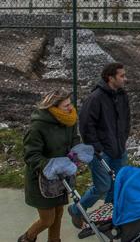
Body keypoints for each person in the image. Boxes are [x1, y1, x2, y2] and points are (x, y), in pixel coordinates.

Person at [68, 62, 130, 228]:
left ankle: (108, 217)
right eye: (122, 76)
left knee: (117, 186)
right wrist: (97, 149)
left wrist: (123, 138)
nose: (125, 79)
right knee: (103, 186)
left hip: (119, 149)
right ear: (110, 78)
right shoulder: (95, 98)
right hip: (101, 152)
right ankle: (76, 209)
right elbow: (86, 125)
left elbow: (126, 119)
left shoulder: (122, 95)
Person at [19, 89, 81, 242]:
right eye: (66, 105)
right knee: (47, 219)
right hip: (42, 178)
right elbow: (31, 155)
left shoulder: (69, 120)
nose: (70, 107)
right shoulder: (38, 127)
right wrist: (52, 166)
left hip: (61, 177)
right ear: (53, 107)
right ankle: (27, 238)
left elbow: (75, 139)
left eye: (70, 103)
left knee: (59, 213)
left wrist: (74, 154)